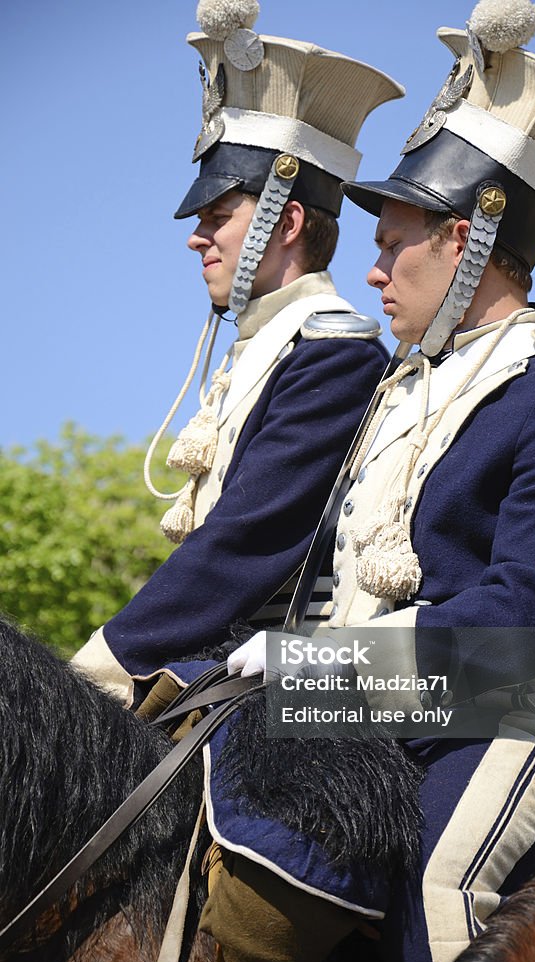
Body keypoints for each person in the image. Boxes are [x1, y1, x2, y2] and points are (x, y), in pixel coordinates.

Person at [214, 0, 535, 962]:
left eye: (392, 242)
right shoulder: (394, 392)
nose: (369, 270)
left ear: (464, 240)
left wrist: (311, 669)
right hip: (357, 705)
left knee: (436, 886)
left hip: (506, 708)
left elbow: (523, 622)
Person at [71, 0, 403, 704]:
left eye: (219, 216)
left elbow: (248, 540)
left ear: (284, 222)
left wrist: (100, 666)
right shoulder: (265, 343)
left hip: (290, 673)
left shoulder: (332, 353)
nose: (198, 237)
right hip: (216, 662)